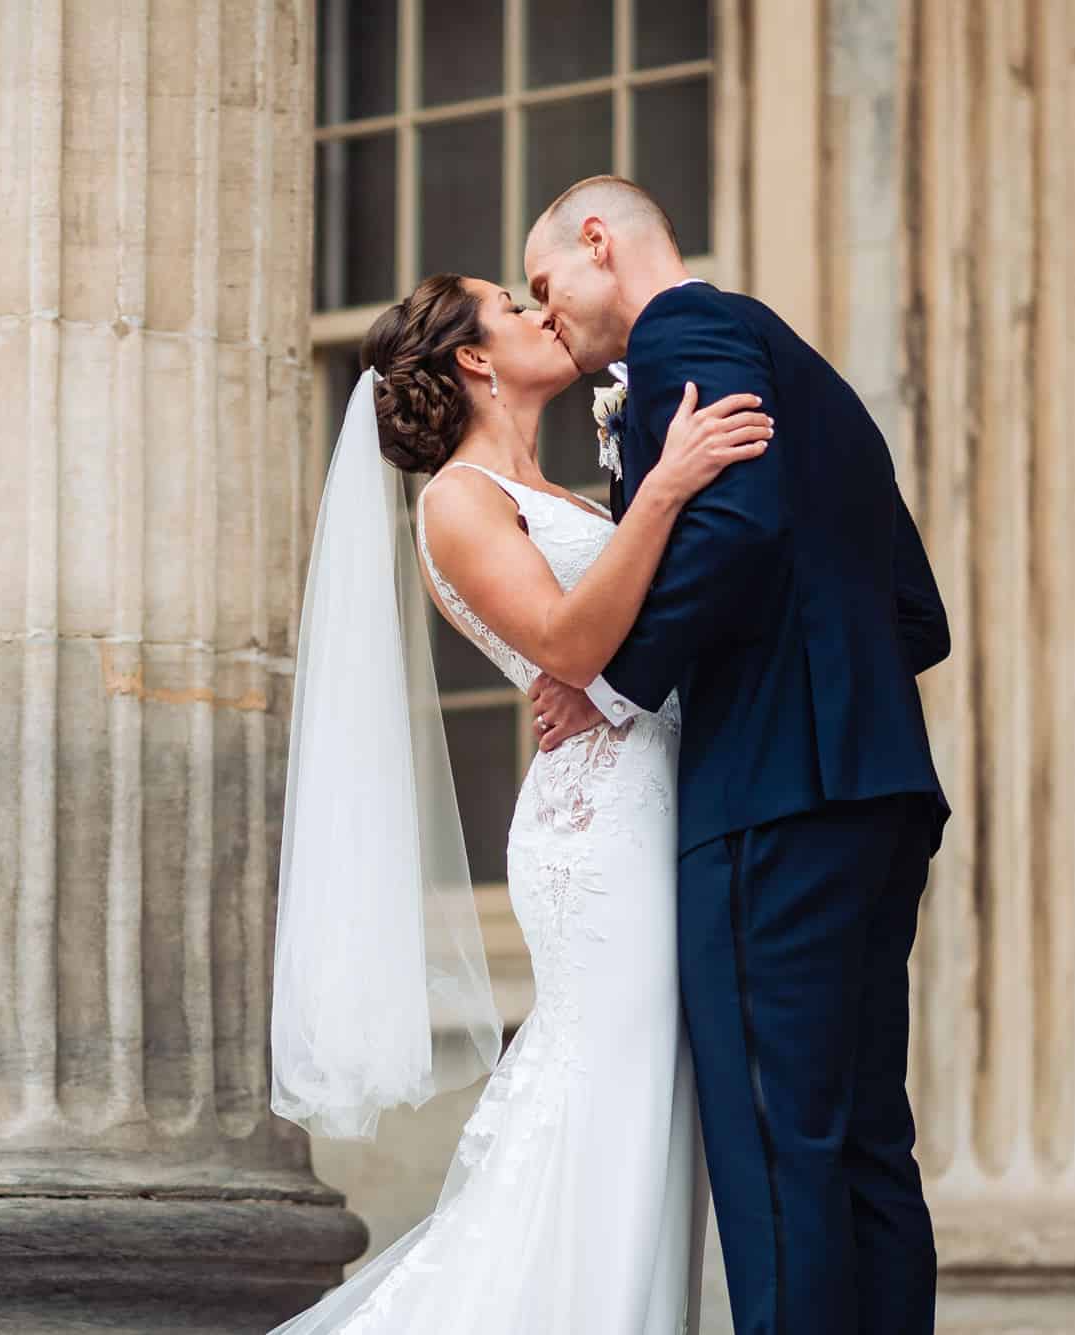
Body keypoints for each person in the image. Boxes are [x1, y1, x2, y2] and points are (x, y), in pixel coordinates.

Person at [269, 267, 772, 1333]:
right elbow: (569, 643)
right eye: (511, 304)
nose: (542, 312)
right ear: (472, 358)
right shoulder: (456, 501)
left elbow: (608, 645)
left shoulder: (559, 496)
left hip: (649, 799)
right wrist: (669, 488)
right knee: (607, 1105)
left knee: (643, 1110)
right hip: (596, 841)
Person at [522, 175, 950, 1335]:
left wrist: (606, 680)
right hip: (875, 793)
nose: (542, 314)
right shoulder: (809, 377)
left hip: (770, 797)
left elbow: (738, 531)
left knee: (772, 1152)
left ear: (598, 241)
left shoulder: (684, 332)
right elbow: (918, 616)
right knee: (861, 1143)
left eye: (542, 283)